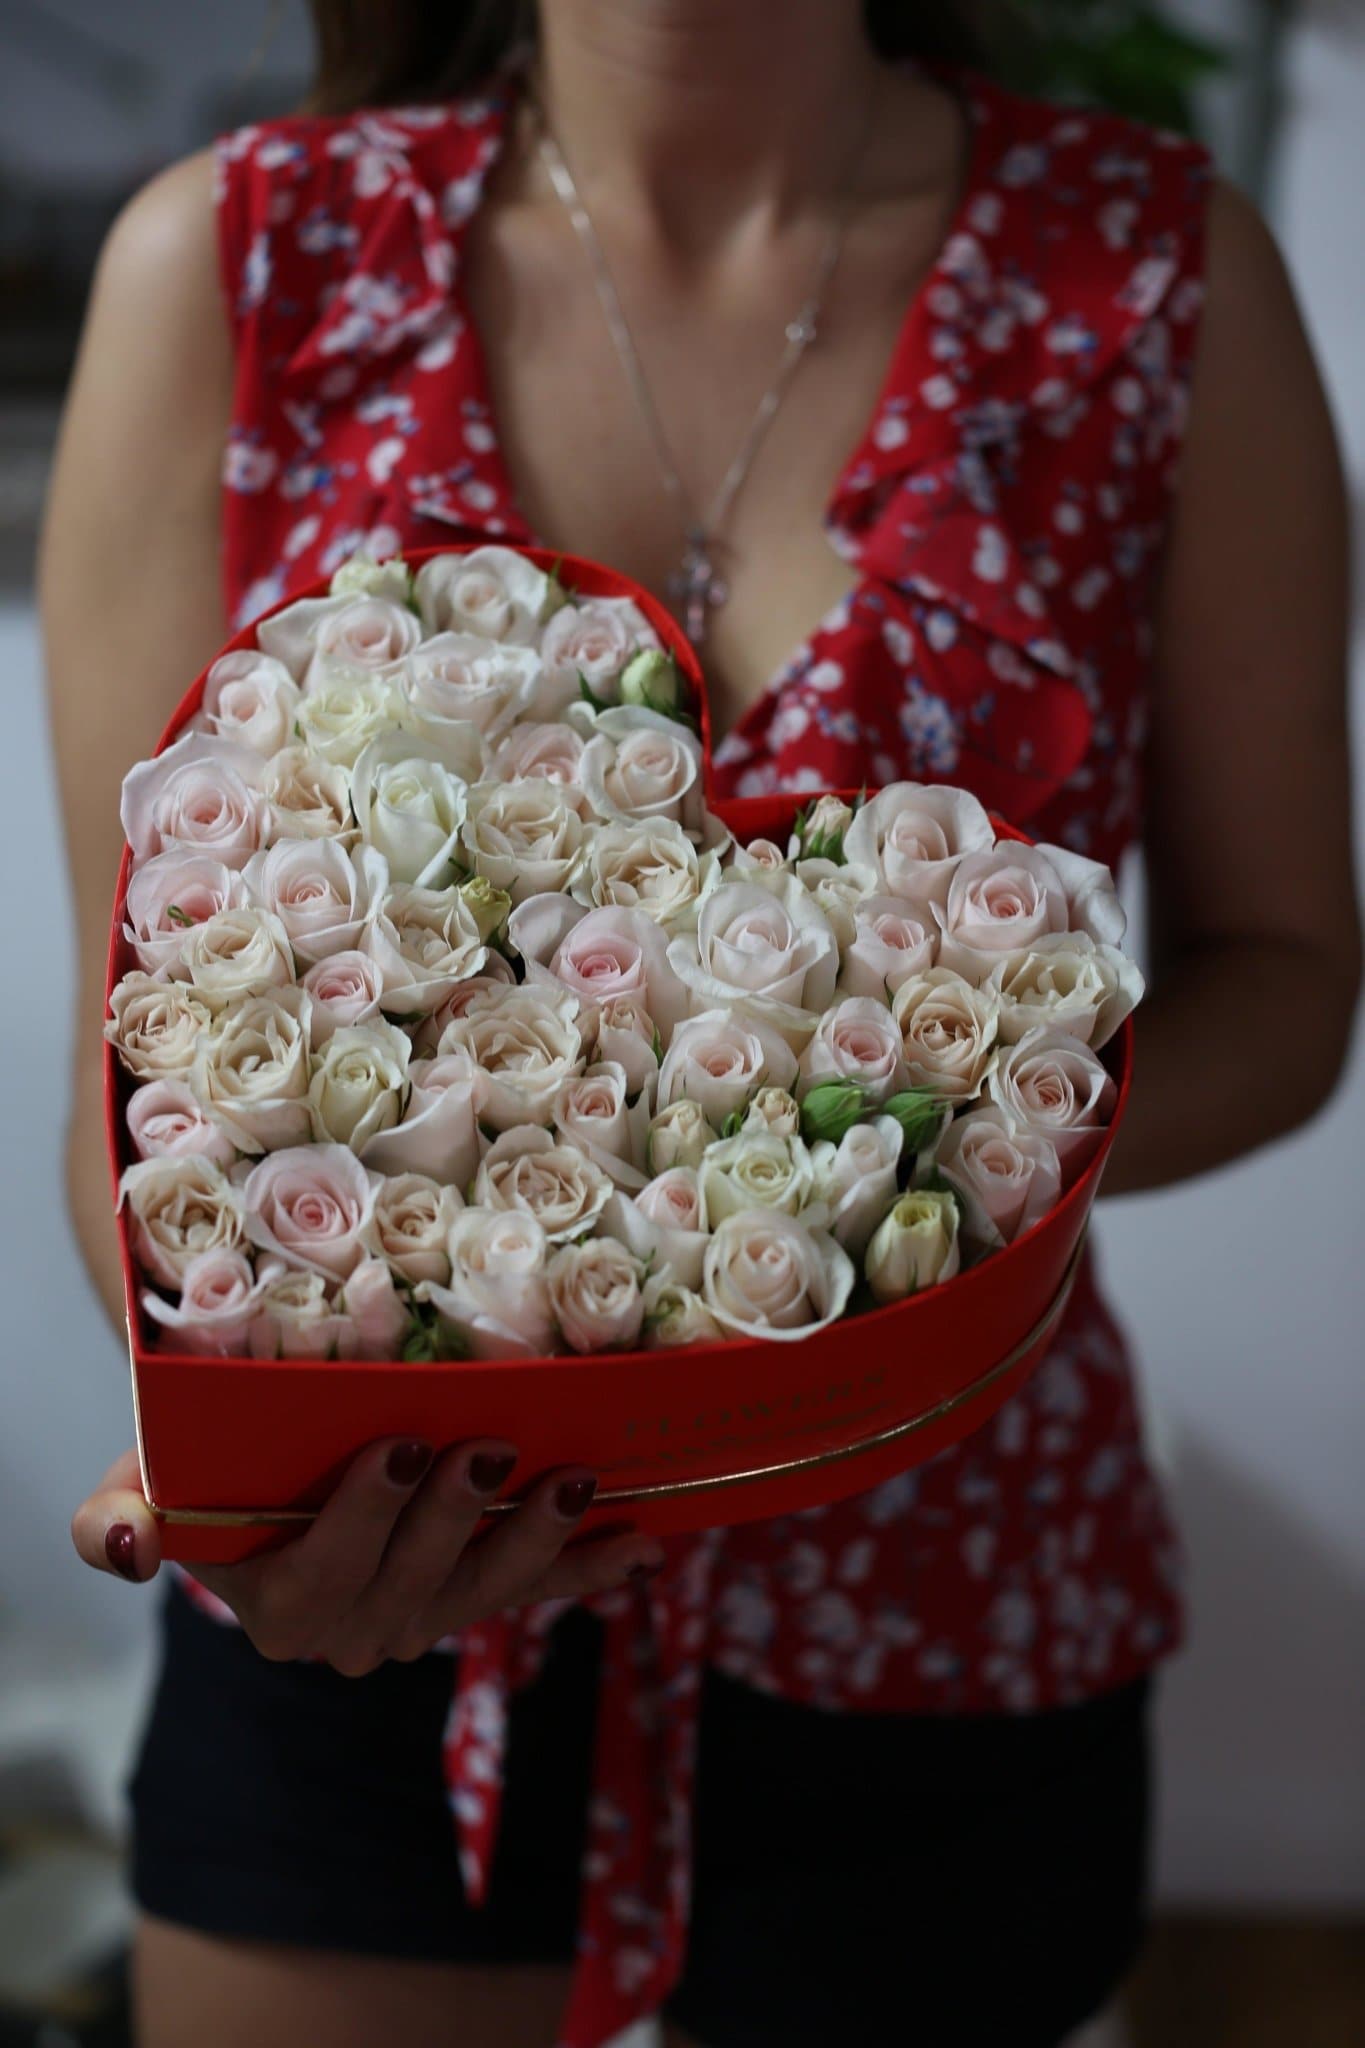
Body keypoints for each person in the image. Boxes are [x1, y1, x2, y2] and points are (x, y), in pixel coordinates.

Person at [45, 3, 1359, 2045]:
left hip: (949, 1592)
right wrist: (240, 1480)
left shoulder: (1147, 274)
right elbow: (123, 1071)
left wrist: (901, 1193)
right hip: (379, 1599)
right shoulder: (234, 263)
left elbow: (1281, 978)